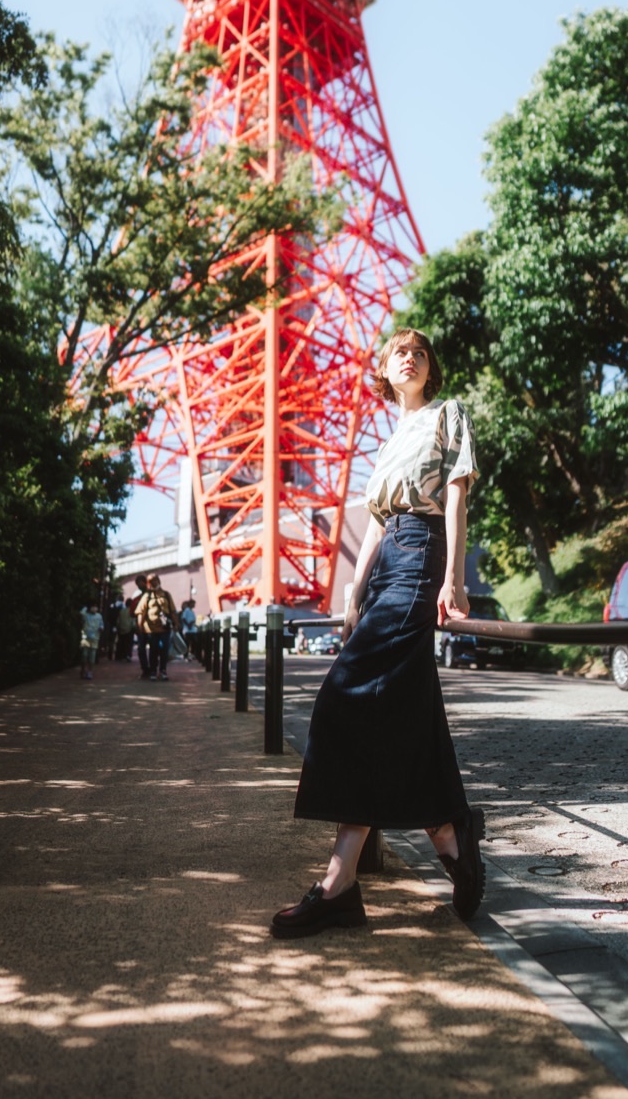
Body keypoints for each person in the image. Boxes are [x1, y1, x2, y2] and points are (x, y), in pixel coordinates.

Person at [271, 327, 484, 939]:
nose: (409, 357)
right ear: (385, 372)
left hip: (421, 555)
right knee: (407, 709)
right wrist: (352, 594)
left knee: (347, 697)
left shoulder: (447, 414)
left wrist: (454, 579)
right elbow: (372, 526)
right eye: (398, 353)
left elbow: (455, 496)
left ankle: (338, 884)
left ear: (430, 368)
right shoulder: (390, 441)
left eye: (419, 352)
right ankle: (450, 831)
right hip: (388, 559)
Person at [135, 573, 177, 680]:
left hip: (164, 628)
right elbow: (141, 612)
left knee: (164, 649)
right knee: (153, 649)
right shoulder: (147, 596)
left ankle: (163, 670)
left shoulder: (166, 594)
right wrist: (140, 626)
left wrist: (177, 623)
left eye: (154, 580)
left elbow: (172, 611)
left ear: (159, 580)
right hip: (151, 629)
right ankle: (153, 670)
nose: (153, 582)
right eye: (150, 581)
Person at [79, 604, 103, 680]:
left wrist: (101, 628)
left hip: (95, 639)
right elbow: (81, 613)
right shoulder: (86, 615)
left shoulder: (99, 616)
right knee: (84, 655)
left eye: (95, 607)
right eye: (92, 607)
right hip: (85, 638)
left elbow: (101, 625)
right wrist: (86, 606)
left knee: (92, 657)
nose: (94, 608)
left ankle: (89, 671)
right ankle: (83, 670)